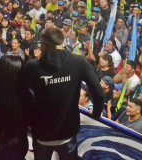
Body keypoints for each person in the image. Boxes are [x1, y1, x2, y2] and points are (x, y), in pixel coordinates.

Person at [23, 27, 104, 159]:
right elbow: (99, 94)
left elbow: (23, 93)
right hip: (67, 132)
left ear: (43, 44)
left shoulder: (32, 66)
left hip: (41, 132)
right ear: (62, 41)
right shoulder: (79, 62)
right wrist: (95, 115)